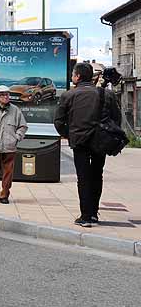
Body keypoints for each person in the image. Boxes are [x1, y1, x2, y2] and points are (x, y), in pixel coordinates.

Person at [54, 62, 121, 227]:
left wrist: (69, 135)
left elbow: (58, 122)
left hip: (79, 142)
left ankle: (85, 215)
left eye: (73, 75)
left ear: (77, 77)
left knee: (83, 178)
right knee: (97, 175)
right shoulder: (107, 94)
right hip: (101, 141)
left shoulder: (68, 95)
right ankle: (93, 214)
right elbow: (116, 119)